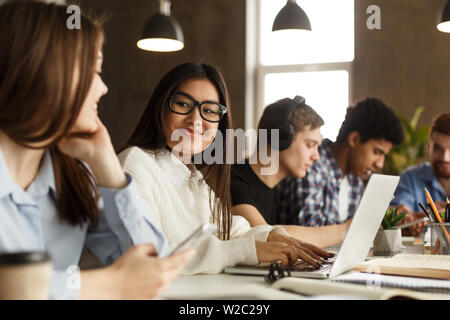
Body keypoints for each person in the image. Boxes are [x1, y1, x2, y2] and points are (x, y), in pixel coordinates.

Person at [0, 1, 194, 300]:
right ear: (42, 72)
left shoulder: (73, 175)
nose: (103, 88)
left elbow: (153, 270)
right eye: (93, 71)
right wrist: (108, 284)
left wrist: (109, 169)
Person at [119, 62, 333, 274]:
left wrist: (272, 236)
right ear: (161, 107)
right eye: (183, 104)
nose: (196, 120)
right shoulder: (135, 163)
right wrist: (249, 250)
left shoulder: (193, 178)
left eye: (210, 111)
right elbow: (149, 255)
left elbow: (233, 229)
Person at [230, 97, 351, 248]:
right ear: (280, 138)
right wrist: (345, 230)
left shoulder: (280, 188)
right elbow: (268, 237)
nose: (316, 156)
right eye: (309, 145)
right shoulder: (233, 182)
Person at [277, 97, 404, 228]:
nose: (380, 164)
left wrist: (392, 220)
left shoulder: (354, 180)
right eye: (377, 152)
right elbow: (311, 228)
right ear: (354, 139)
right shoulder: (310, 164)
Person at [391, 112, 450, 235]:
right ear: (429, 147)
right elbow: (399, 215)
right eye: (438, 148)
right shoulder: (409, 178)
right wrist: (405, 220)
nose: (445, 158)